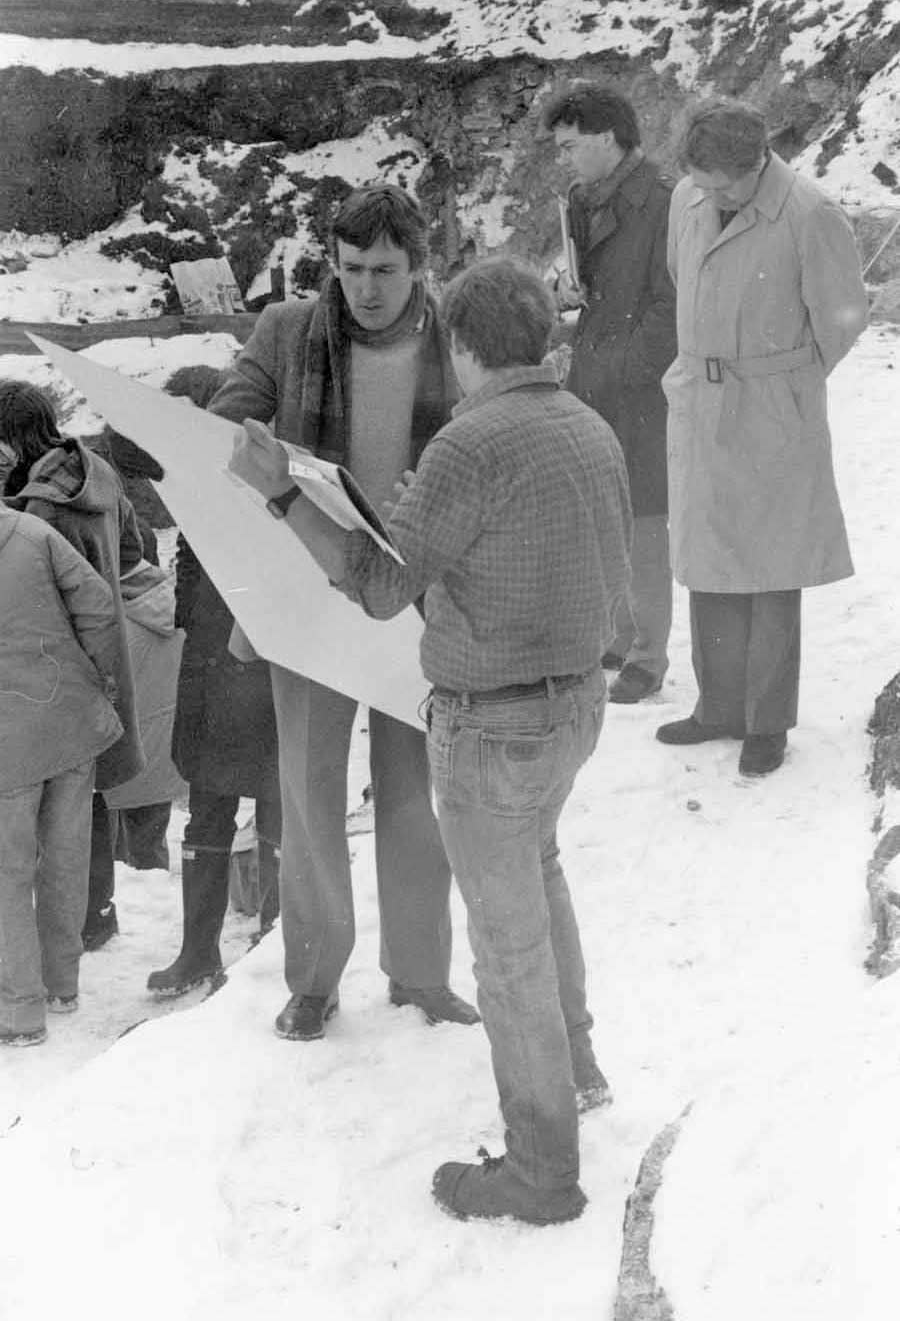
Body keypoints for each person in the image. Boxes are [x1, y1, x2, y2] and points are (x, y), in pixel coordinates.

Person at [230, 256, 632, 1226]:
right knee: (540, 878)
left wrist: (283, 495)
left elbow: (375, 591)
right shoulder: (587, 425)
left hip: (493, 722)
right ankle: (575, 1065)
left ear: (459, 346)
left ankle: (540, 1170)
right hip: (573, 705)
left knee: (507, 951)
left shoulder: (467, 444)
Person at [210, 184, 478, 1040]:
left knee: (412, 796)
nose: (366, 288)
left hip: (417, 599)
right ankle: (315, 979)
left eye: (387, 271)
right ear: (333, 261)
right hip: (313, 591)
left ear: (419, 267)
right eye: (353, 268)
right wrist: (267, 449)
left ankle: (422, 972)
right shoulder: (287, 331)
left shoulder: (456, 338)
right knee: (311, 791)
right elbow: (224, 419)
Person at [659, 100, 869, 776]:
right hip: (701, 398)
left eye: (725, 182)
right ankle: (718, 704)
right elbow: (681, 275)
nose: (711, 193)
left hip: (775, 404)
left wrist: (783, 384)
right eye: (702, 180)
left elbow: (841, 318)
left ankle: (766, 720)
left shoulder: (810, 213)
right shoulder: (689, 197)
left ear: (759, 162)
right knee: (708, 555)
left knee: (773, 566)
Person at [143, 365, 283, 997]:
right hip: (206, 667)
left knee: (278, 804)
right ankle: (198, 951)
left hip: (260, 667)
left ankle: (278, 940)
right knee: (205, 811)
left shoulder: (258, 478)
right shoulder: (192, 484)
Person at [543, 81, 677, 704]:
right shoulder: (580, 198)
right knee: (608, 514)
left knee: (645, 519)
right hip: (592, 378)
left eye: (570, 146)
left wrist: (624, 366)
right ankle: (621, 637)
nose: (563, 158)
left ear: (606, 139)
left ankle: (649, 655)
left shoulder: (665, 202)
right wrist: (564, 293)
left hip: (640, 386)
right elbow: (584, 280)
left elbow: (670, 305)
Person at [0, 382, 145, 944]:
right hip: (107, 651)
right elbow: (133, 553)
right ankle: (97, 914)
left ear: (14, 439)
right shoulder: (97, 475)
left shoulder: (38, 508)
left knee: (50, 800)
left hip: (55, 664)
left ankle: (66, 926)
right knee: (90, 789)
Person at [0, 501, 124, 1046]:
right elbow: (98, 606)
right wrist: (100, 672)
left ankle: (20, 1009)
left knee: (7, 871)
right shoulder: (35, 533)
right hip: (68, 713)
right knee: (67, 855)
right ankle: (62, 985)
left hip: (7, 737)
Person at [102, 558, 186, 873]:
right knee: (150, 849)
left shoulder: (111, 622)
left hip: (120, 758)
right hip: (165, 755)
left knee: (115, 860)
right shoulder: (172, 605)